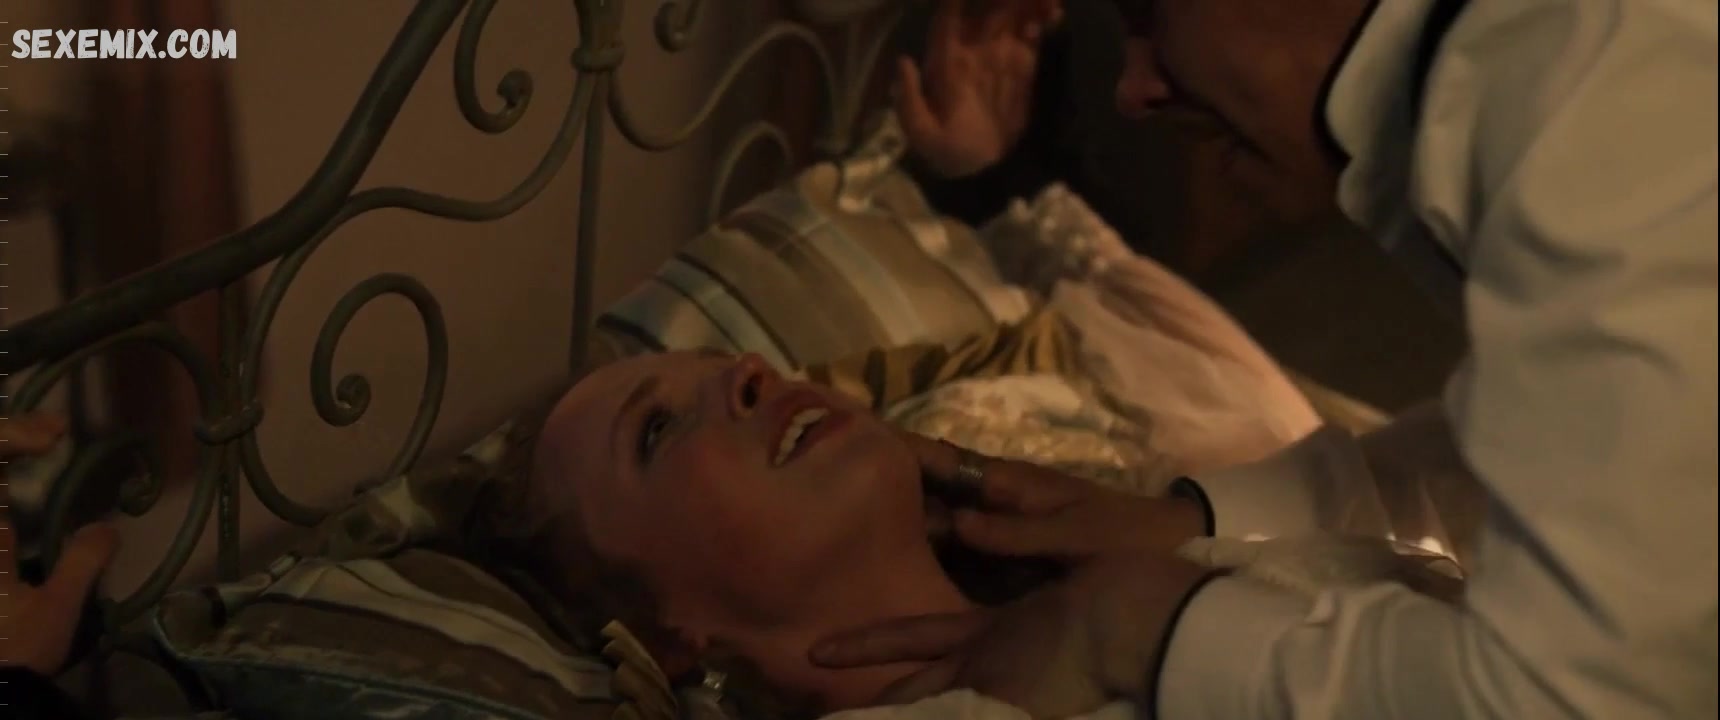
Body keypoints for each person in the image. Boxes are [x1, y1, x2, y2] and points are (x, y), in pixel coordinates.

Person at [807, 0, 1718, 718]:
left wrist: (1147, 627)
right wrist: (1194, 520)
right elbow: (1580, 444)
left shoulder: (1599, 119)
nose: (1132, 90)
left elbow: (1574, 697)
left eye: (1149, 12)